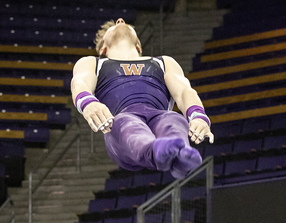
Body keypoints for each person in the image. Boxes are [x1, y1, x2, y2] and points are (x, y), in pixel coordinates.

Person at [70, 18, 212, 180]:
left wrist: (198, 116)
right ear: (103, 49)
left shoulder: (163, 62)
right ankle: (154, 150)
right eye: (115, 25)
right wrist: (88, 102)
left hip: (157, 117)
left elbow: (184, 91)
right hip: (120, 129)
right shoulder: (93, 63)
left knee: (173, 118)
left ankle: (181, 155)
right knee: (125, 122)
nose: (120, 20)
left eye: (124, 23)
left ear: (138, 46)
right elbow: (79, 83)